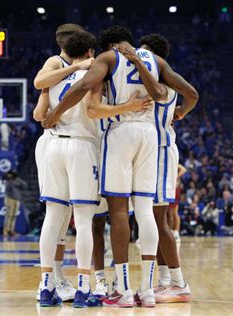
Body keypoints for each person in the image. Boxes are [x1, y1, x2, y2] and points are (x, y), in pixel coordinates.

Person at [44, 25, 197, 308]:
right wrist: (182, 112)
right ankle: (148, 290)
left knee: (116, 211)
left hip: (121, 131)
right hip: (150, 135)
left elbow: (81, 87)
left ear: (110, 44)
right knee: (146, 211)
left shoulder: (111, 58)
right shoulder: (156, 61)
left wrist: (55, 111)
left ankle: (124, 290)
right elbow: (191, 93)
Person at [36, 31, 103, 308]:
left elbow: (39, 116)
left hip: (53, 145)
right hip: (81, 145)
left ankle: (46, 285)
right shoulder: (94, 74)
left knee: (52, 217)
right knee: (84, 219)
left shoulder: (55, 76)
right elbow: (92, 110)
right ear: (90, 51)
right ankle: (84, 287)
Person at [134, 33, 197, 303]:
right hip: (152, 151)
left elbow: (193, 94)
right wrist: (180, 112)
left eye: (146, 55)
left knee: (159, 221)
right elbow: (191, 97)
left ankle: (180, 282)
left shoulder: (161, 84)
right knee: (152, 220)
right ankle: (164, 281)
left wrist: (180, 112)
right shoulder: (157, 81)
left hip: (160, 151)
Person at [3, 171, 27, 237]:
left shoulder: (18, 180)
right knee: (9, 215)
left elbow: (24, 185)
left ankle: (11, 230)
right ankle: (5, 231)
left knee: (14, 216)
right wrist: (11, 180)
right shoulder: (8, 181)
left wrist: (18, 178)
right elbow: (8, 188)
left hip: (17, 199)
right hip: (10, 199)